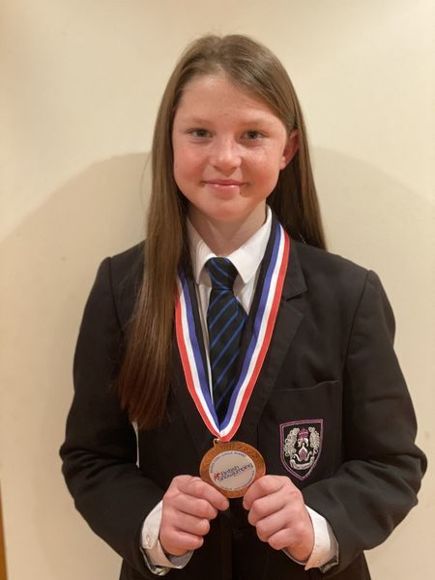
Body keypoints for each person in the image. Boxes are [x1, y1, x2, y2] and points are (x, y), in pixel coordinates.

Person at [60, 34, 426, 580]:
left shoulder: (349, 295)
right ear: (170, 141)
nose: (225, 158)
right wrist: (152, 524)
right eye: (200, 133)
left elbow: (392, 462)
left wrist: (319, 525)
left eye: (252, 134)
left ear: (287, 150)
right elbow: (90, 456)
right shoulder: (122, 287)